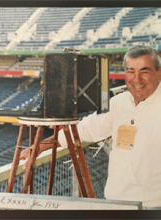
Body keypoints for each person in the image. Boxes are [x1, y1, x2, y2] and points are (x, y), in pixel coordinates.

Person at [20, 45, 161, 209]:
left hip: (153, 206)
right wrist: (38, 147)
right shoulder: (117, 103)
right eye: (130, 71)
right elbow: (84, 130)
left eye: (145, 71)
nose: (137, 79)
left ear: (159, 73)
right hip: (115, 203)